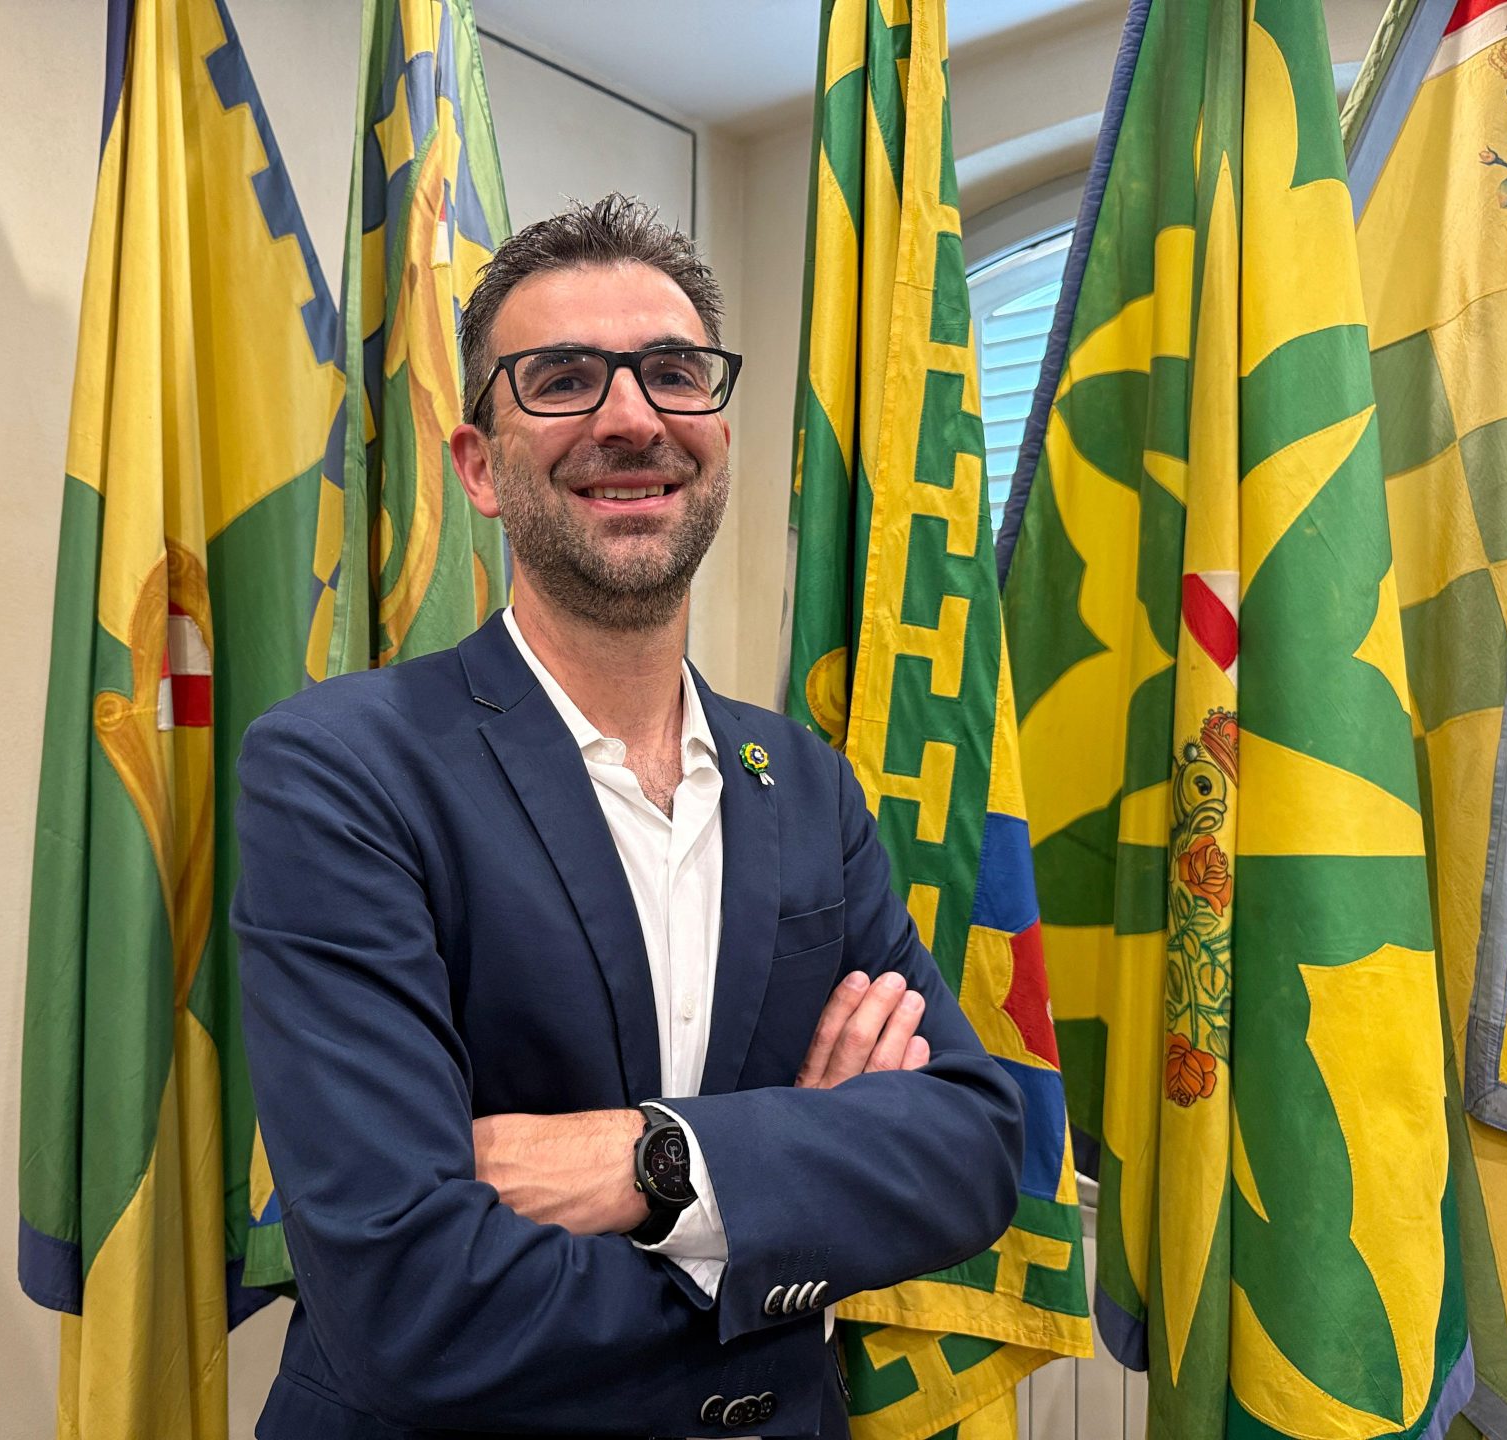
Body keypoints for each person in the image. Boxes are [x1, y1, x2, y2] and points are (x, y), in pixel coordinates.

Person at [233, 194, 1025, 1440]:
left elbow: (975, 1150)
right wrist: (796, 1185)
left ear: (718, 433)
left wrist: (650, 1164)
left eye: (672, 373)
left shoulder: (807, 785)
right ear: (480, 467)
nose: (631, 417)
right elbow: (410, 1300)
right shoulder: (341, 770)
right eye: (562, 379)